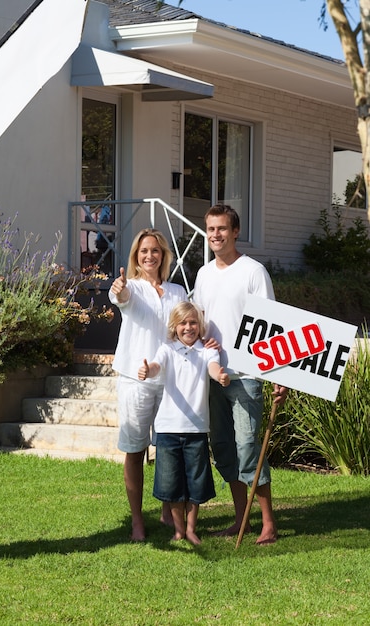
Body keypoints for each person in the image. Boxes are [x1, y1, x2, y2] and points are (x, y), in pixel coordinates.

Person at [193, 204, 288, 545]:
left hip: (247, 375)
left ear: (235, 232)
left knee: (249, 447)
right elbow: (199, 321)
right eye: (210, 229)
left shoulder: (253, 272)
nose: (215, 235)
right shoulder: (203, 275)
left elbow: (273, 325)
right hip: (214, 374)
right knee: (223, 447)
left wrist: (280, 375)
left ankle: (268, 522)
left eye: (221, 229)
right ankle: (240, 519)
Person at [109, 228, 187, 541]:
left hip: (168, 379)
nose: (149, 256)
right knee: (135, 448)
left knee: (168, 448)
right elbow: (120, 297)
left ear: (163, 255)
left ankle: (167, 510)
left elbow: (186, 329)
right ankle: (137, 521)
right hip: (135, 379)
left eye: (155, 250)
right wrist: (120, 289)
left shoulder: (178, 291)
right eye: (143, 251)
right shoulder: (132, 288)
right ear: (136, 256)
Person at [138, 301, 230, 545]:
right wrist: (149, 370)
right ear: (174, 327)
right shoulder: (167, 349)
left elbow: (212, 367)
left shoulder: (207, 351)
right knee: (171, 483)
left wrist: (219, 374)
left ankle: (191, 529)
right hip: (168, 429)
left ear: (200, 326)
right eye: (183, 323)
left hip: (196, 430)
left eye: (193, 323)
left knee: (195, 483)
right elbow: (157, 366)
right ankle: (178, 529)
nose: (188, 327)